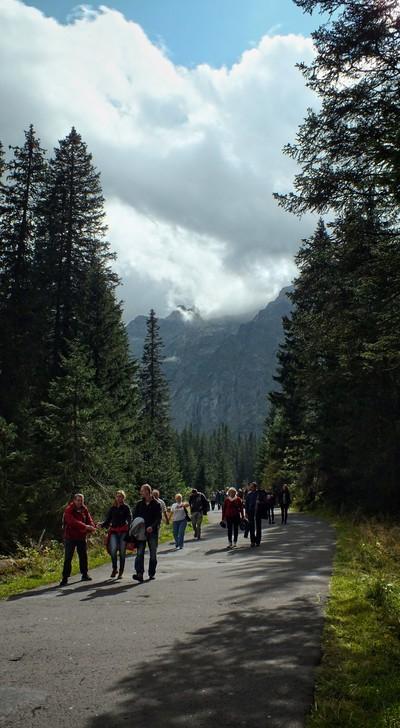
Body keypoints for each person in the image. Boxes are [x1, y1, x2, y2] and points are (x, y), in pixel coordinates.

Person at [59, 493, 96, 586]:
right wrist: (85, 526)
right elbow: (72, 522)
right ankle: (65, 578)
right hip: (70, 537)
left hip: (81, 536)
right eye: (78, 500)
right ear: (74, 500)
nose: (80, 502)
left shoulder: (84, 509)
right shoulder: (69, 510)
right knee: (68, 557)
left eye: (81, 500)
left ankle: (84, 574)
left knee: (83, 556)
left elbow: (89, 519)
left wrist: (92, 526)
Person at [97, 490, 131, 579]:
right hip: (114, 531)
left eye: (121, 496)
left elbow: (129, 518)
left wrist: (130, 528)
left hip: (123, 531)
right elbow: (108, 520)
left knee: (122, 552)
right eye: (117, 496)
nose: (119, 498)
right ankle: (114, 568)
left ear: (123, 498)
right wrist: (102, 524)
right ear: (115, 497)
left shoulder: (126, 507)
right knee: (112, 550)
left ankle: (121, 571)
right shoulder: (113, 508)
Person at [132, 484, 162, 582]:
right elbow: (135, 517)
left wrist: (152, 527)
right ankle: (139, 573)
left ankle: (151, 573)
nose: (141, 492)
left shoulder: (156, 504)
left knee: (153, 553)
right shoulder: (139, 504)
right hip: (141, 532)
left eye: (142, 490)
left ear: (147, 491)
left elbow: (158, 518)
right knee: (139, 553)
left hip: (152, 532)